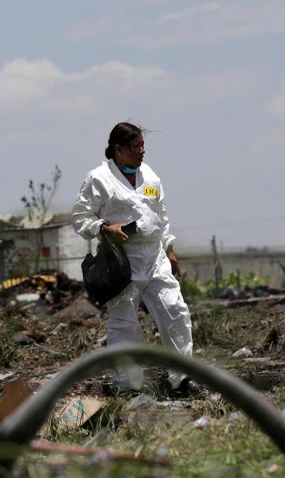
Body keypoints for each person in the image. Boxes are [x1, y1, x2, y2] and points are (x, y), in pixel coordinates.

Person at [70, 121, 195, 393]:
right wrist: (105, 228)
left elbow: (161, 216)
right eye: (136, 146)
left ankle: (182, 378)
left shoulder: (149, 176)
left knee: (175, 312)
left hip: (155, 257)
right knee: (125, 324)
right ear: (118, 149)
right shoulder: (98, 179)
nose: (142, 152)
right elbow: (80, 218)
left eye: (143, 146)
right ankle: (128, 387)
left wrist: (170, 250)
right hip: (122, 263)